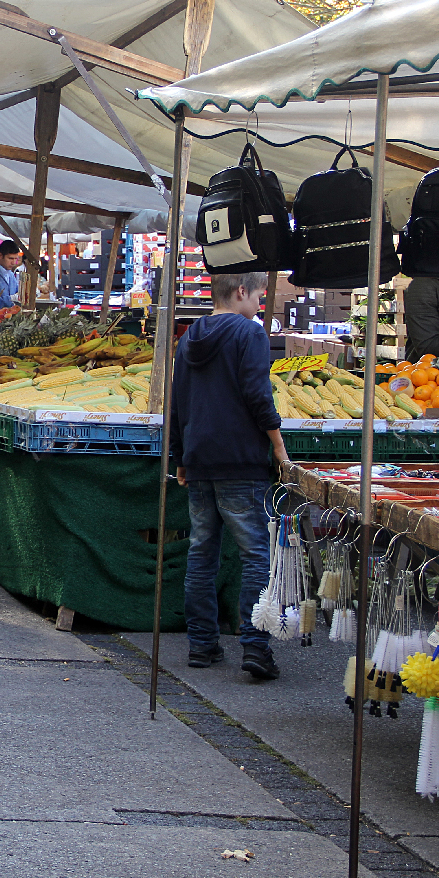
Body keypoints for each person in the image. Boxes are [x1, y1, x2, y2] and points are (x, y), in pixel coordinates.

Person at [169, 271, 290, 681]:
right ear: (241, 291)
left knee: (202, 553)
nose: (259, 304)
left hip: (199, 459)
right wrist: (277, 446)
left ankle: (201, 644)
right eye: (259, 296)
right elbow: (258, 392)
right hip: (240, 460)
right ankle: (255, 646)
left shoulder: (189, 337)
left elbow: (178, 401)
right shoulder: (249, 333)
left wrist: (180, 456)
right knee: (255, 554)